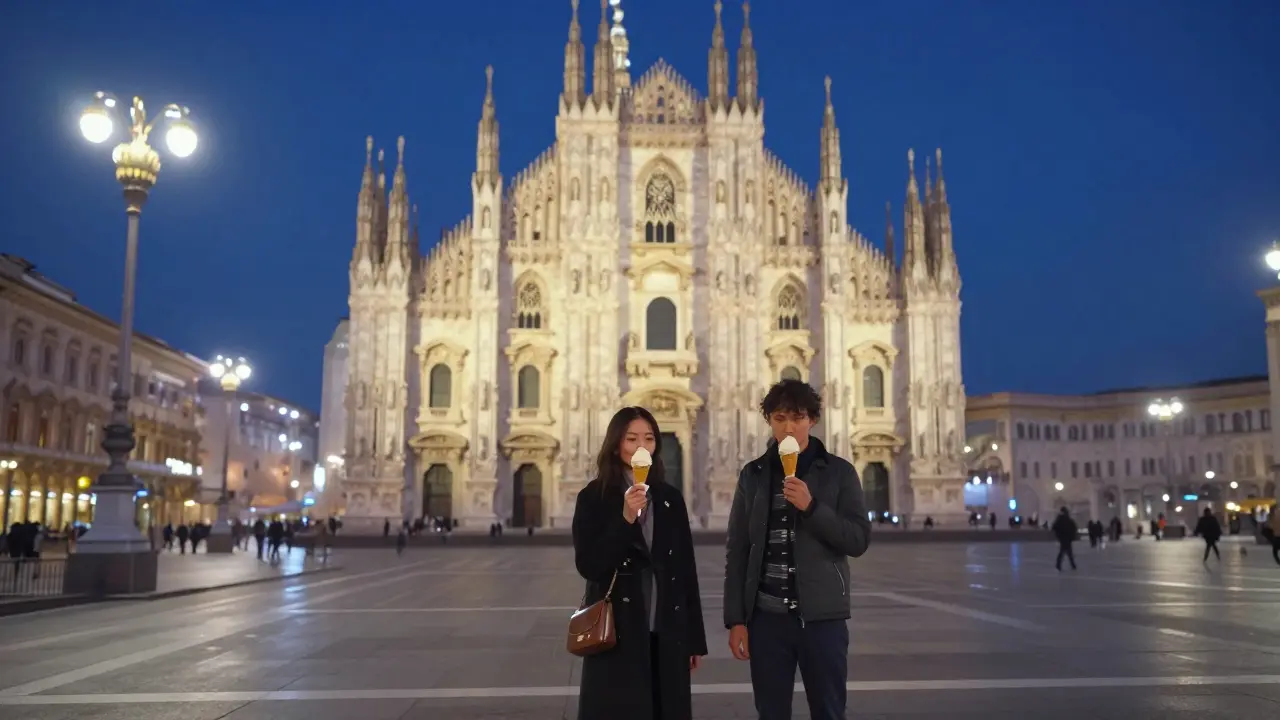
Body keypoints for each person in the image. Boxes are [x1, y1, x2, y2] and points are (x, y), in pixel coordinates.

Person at [723, 379, 872, 720]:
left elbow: (858, 539)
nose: (788, 427)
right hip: (767, 622)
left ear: (813, 420)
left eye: (797, 417)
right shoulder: (754, 475)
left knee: (829, 711)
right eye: (779, 418)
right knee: (771, 713)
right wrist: (737, 620)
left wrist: (811, 507)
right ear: (769, 421)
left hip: (822, 619)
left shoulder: (839, 473)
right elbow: (739, 550)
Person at [572, 406, 707, 720]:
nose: (641, 446)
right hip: (619, 630)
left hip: (666, 628)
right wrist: (625, 519)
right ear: (617, 444)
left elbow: (685, 571)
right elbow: (589, 565)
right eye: (631, 438)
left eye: (649, 438)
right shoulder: (593, 497)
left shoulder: (670, 499)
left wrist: (693, 640)